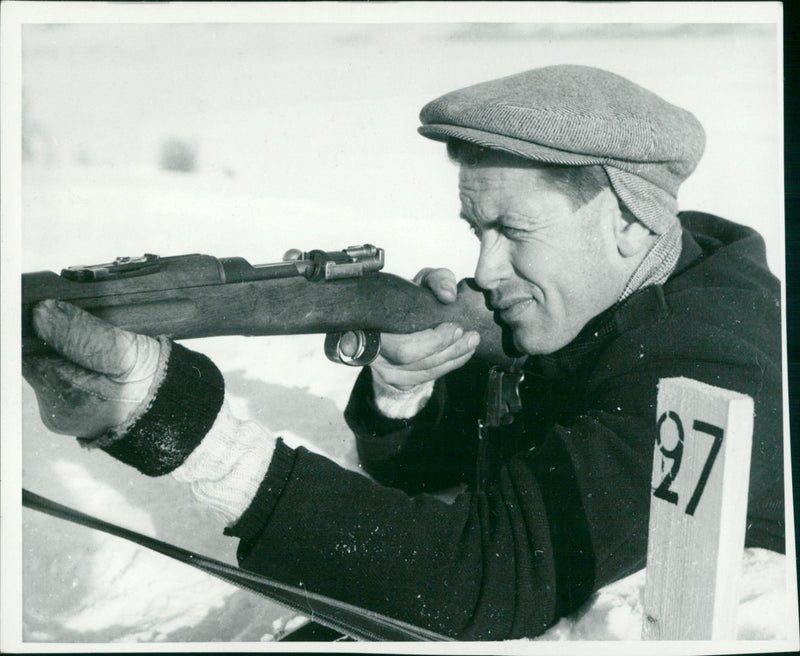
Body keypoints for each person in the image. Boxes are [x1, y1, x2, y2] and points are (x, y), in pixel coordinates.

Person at [22, 65, 784, 640]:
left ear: (625, 219)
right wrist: (404, 394)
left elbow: (487, 580)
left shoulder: (706, 366)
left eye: (513, 233)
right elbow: (458, 478)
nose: (485, 270)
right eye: (476, 231)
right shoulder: (626, 287)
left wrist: (173, 416)